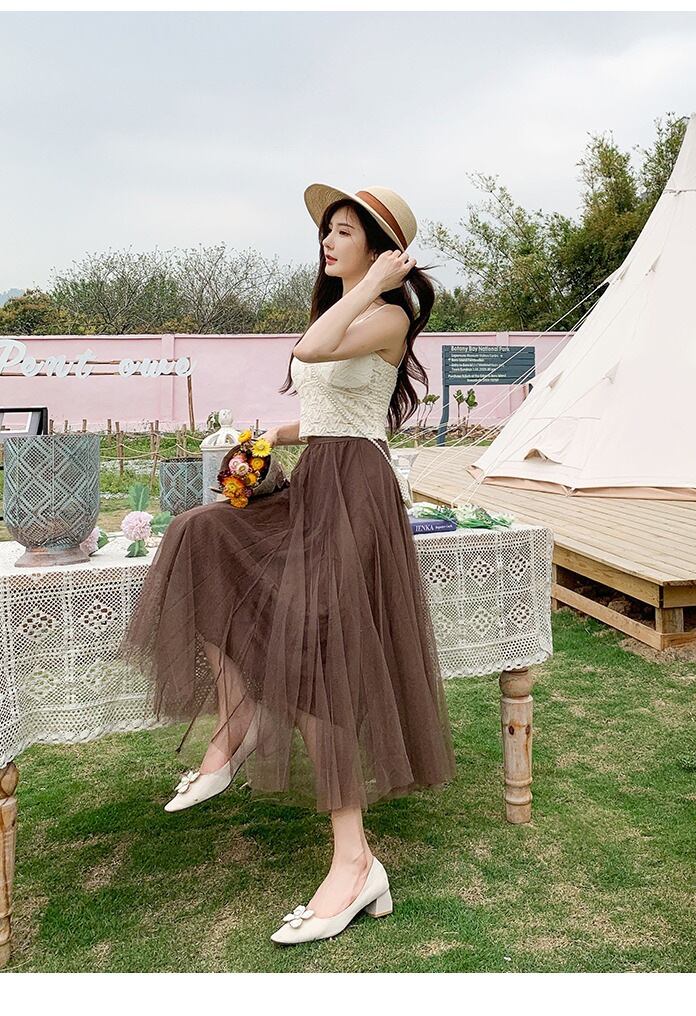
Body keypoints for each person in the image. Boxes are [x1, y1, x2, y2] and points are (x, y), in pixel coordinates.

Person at [118, 183, 457, 945]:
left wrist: (375, 284)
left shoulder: (387, 314)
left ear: (382, 248)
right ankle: (237, 718)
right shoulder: (347, 314)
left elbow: (312, 352)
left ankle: (355, 863)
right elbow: (331, 402)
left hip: (356, 494)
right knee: (200, 532)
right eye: (326, 232)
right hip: (318, 480)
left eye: (344, 232)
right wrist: (274, 432)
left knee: (316, 657)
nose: (328, 242)